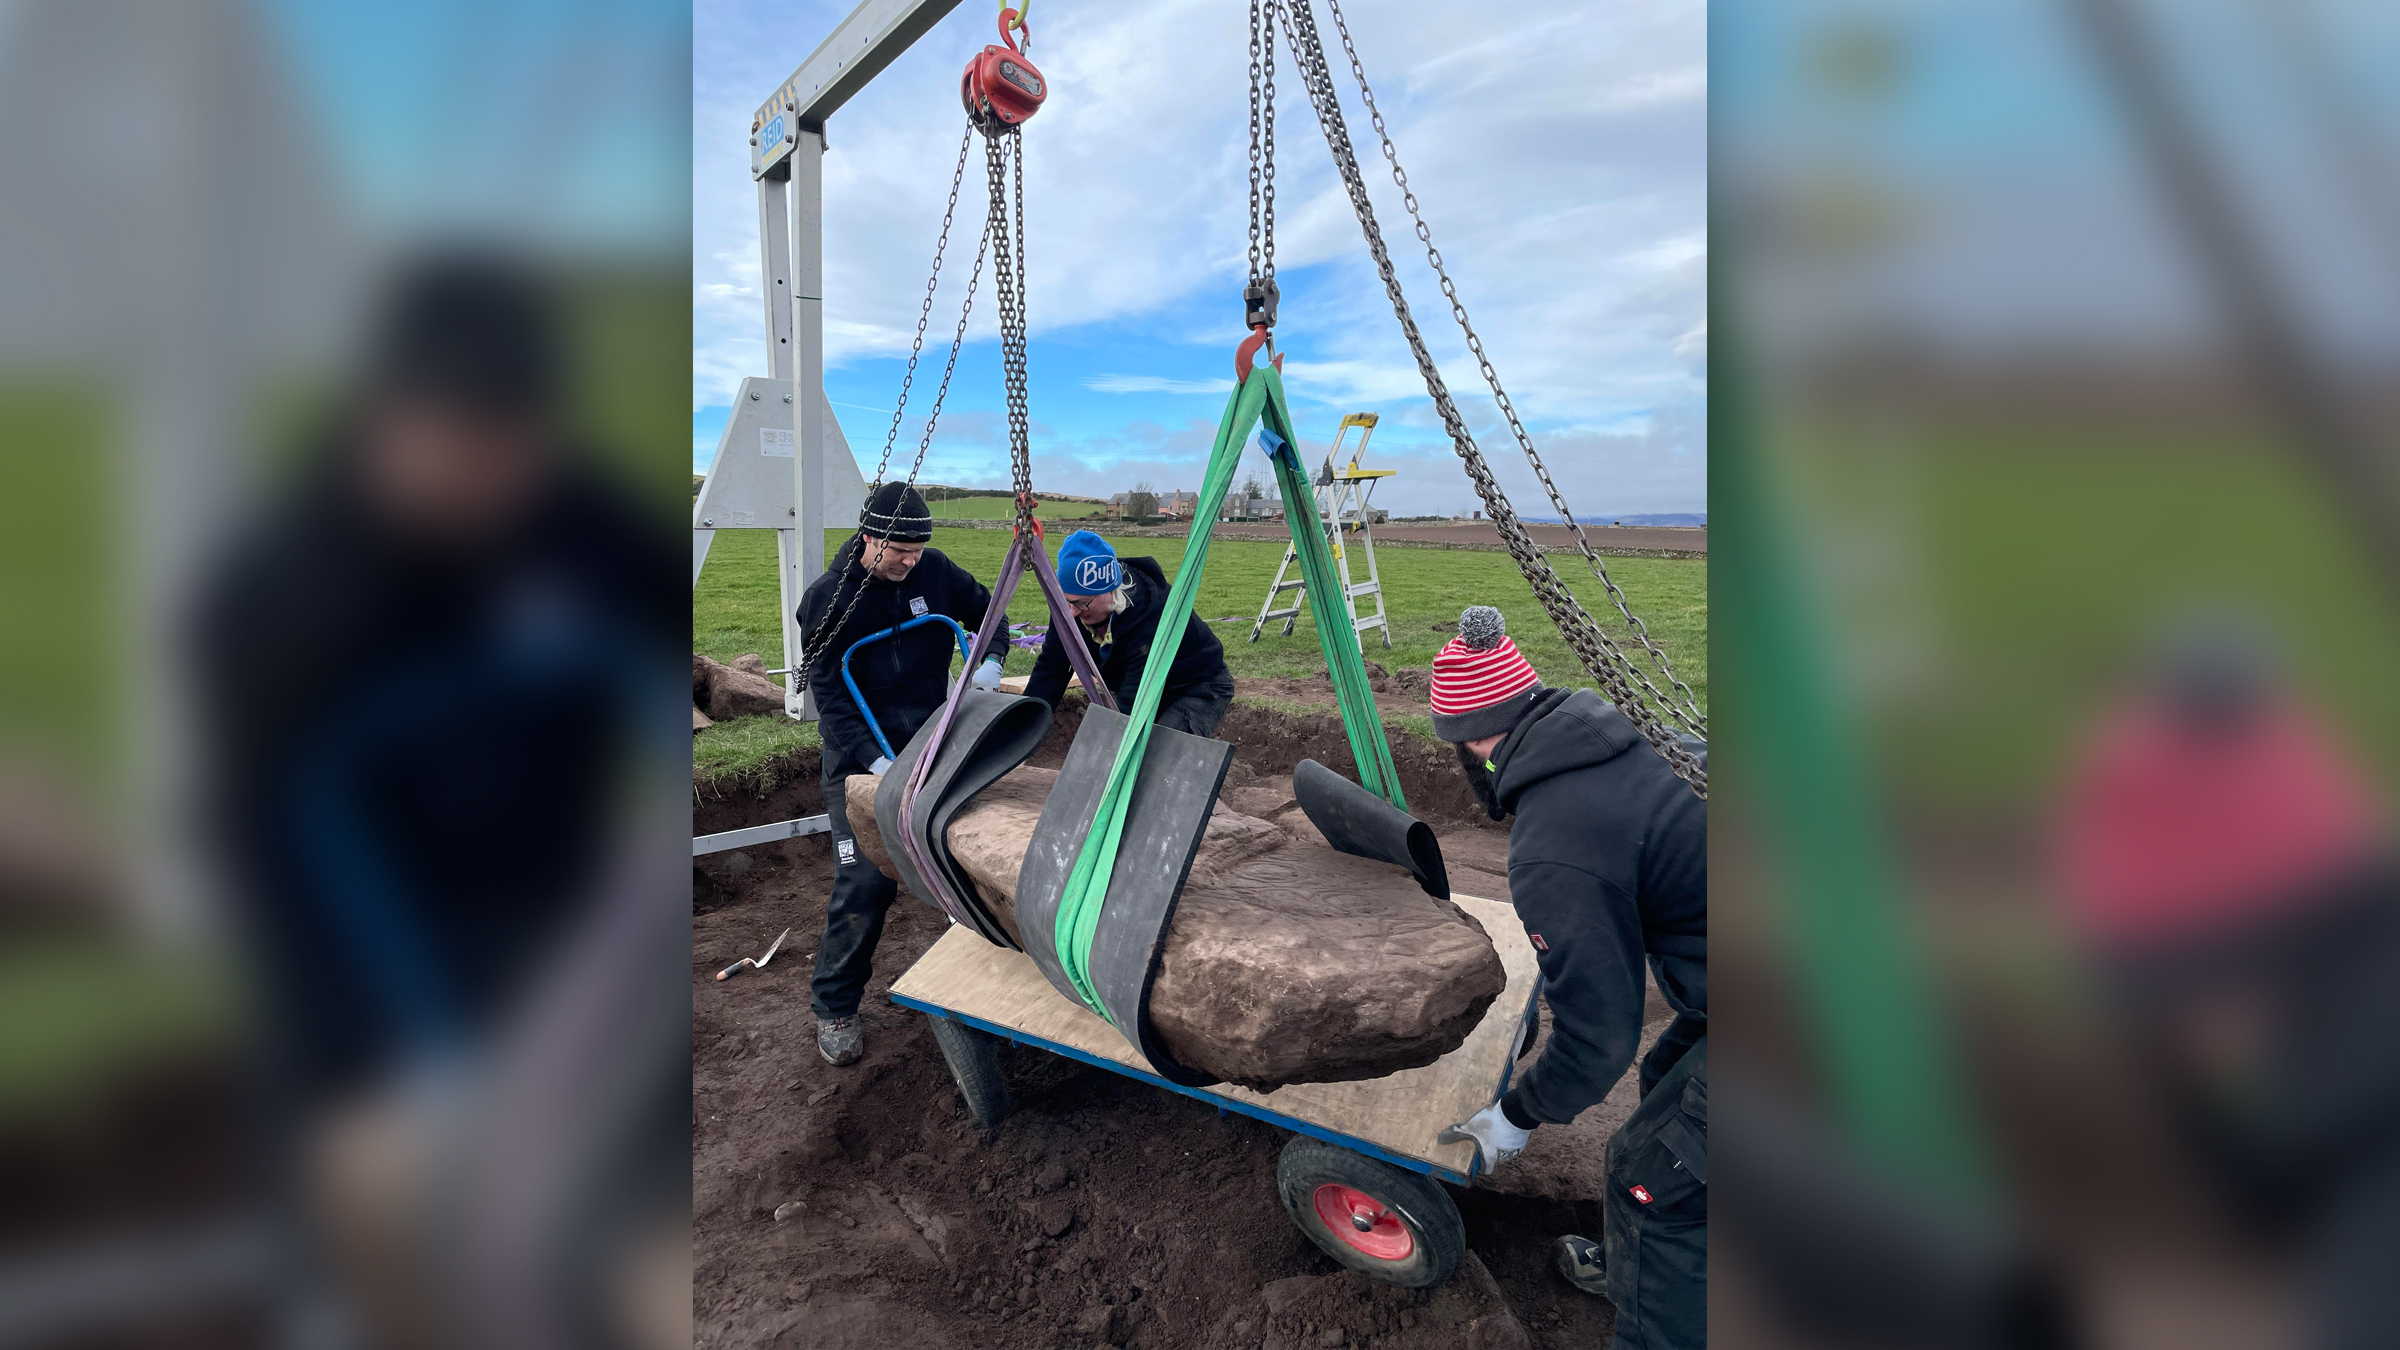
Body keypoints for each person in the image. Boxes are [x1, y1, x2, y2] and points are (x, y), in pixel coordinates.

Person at [1429, 606, 1707, 1350]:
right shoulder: (1632, 737)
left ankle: (1661, 1306)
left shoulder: (1554, 843)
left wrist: (1517, 1114)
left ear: (1471, 742)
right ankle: (1649, 1268)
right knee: (1670, 1081)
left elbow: (1600, 1032)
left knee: (1649, 1182)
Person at [796, 482, 999, 1066]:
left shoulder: (933, 572)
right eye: (899, 551)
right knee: (865, 882)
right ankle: (835, 1007)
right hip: (860, 760)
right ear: (869, 537)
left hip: (933, 745)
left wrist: (989, 661)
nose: (910, 562)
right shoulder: (829, 598)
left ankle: (981, 976)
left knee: (966, 854)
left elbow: (989, 612)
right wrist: (876, 761)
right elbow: (829, 694)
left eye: (918, 551)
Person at [1022, 530, 1235, 737]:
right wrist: (1024, 722)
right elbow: (1052, 666)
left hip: (1194, 686)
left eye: (1081, 603)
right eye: (1066, 601)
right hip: (1132, 681)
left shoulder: (1150, 618)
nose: (1073, 612)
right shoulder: (1070, 608)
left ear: (1108, 590)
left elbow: (1133, 704)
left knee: (1158, 754)